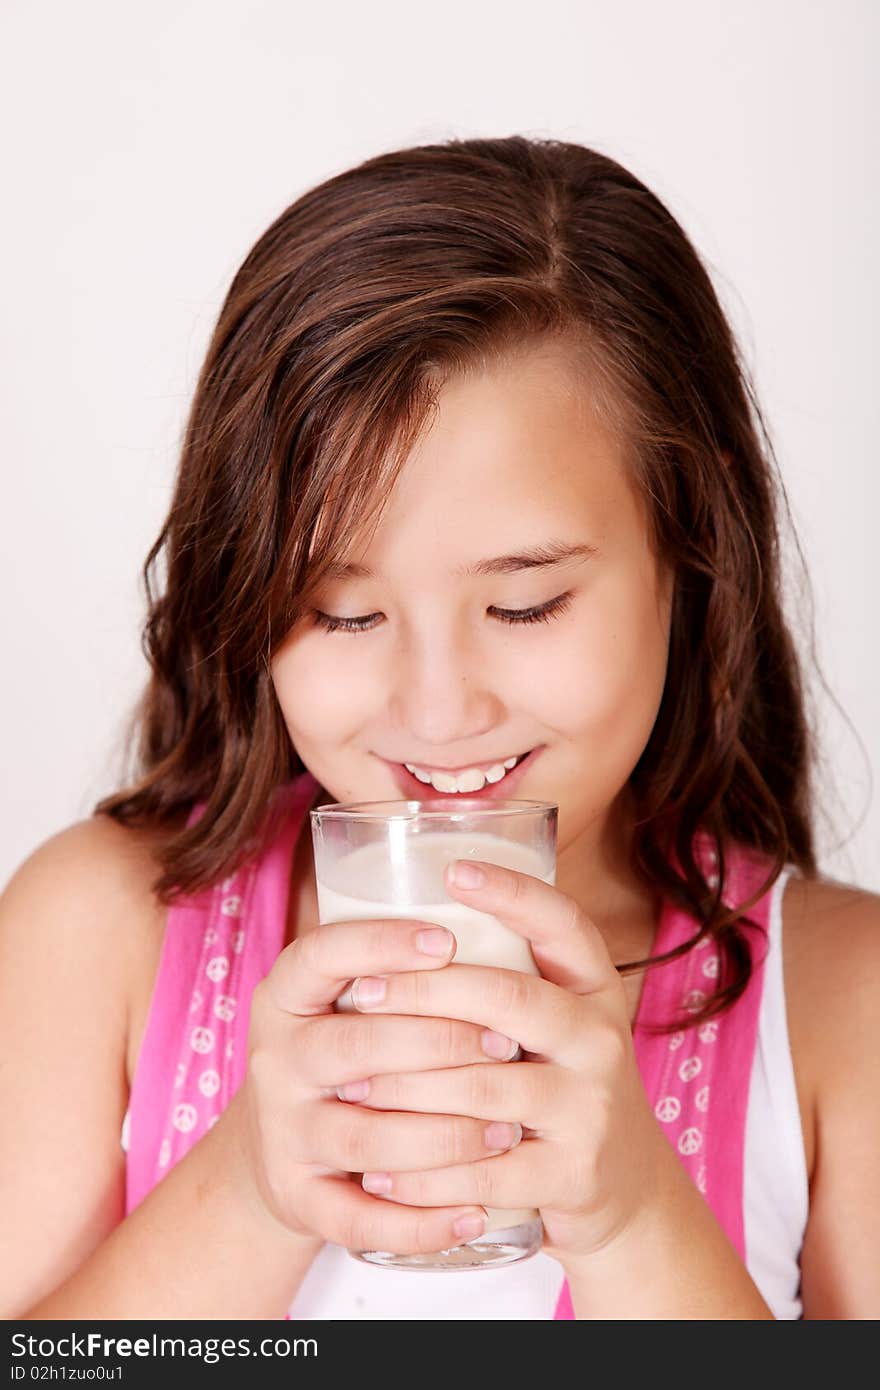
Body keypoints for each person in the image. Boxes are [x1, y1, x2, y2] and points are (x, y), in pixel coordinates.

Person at [2, 135, 877, 1322]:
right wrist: (254, 1185)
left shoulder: (840, 1006)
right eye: (339, 610)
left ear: (693, 535)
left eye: (524, 603)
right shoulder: (97, 931)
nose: (435, 707)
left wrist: (632, 1222)